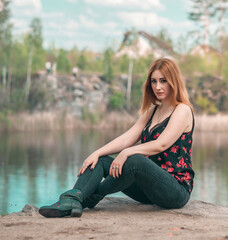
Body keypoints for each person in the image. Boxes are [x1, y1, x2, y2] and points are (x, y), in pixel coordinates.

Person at [39, 58, 195, 218]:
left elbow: (161, 144)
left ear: (173, 81)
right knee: (99, 161)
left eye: (163, 81)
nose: (158, 86)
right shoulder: (153, 110)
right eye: (153, 81)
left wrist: (126, 153)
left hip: (175, 191)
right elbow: (128, 137)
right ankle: (74, 199)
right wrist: (97, 153)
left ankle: (83, 198)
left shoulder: (182, 110)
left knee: (135, 160)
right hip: (148, 191)